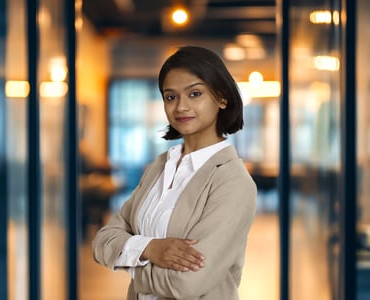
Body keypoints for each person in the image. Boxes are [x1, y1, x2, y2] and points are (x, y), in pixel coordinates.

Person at [92, 45, 257, 300]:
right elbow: (103, 241)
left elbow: (186, 284)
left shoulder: (232, 182)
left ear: (222, 98)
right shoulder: (160, 166)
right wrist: (151, 248)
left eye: (195, 93)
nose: (181, 107)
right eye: (171, 97)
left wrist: (129, 256)